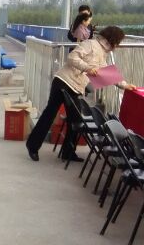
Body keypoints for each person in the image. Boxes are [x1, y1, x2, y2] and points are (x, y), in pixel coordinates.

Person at [26, 26, 135, 163]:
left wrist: (125, 85)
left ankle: (67, 152)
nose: (117, 46)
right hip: (63, 82)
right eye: (118, 42)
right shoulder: (90, 44)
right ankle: (33, 146)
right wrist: (87, 68)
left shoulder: (102, 53)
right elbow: (72, 57)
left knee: (75, 119)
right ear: (112, 40)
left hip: (75, 86)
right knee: (50, 115)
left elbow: (107, 74)